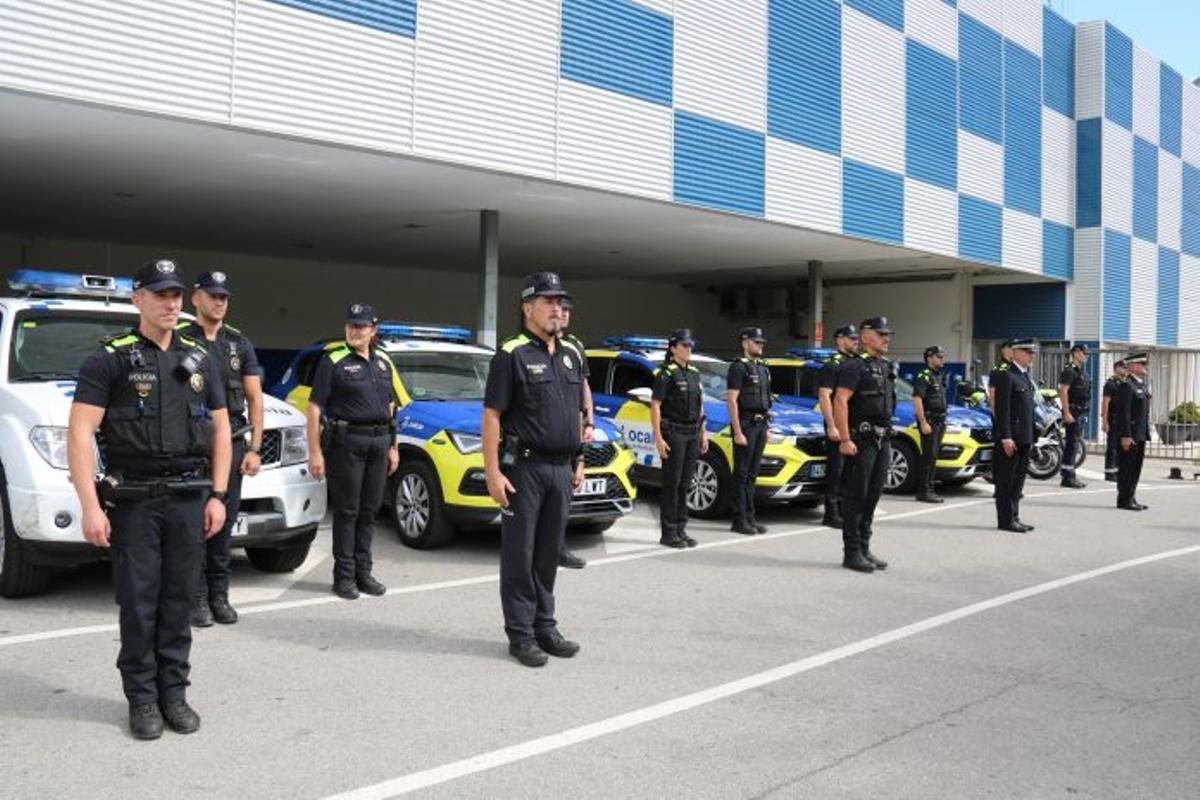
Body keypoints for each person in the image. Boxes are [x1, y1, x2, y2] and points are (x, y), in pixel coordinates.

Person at [67, 258, 232, 740]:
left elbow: (222, 429)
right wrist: (90, 506)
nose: (171, 303)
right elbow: (79, 433)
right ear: (137, 298)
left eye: (176, 294)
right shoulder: (110, 359)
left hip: (188, 498)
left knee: (179, 602)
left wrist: (219, 495)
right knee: (139, 605)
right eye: (160, 294)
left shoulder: (199, 359)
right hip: (134, 501)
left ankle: (173, 694)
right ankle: (141, 699)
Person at [483, 272, 586, 668]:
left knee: (547, 554)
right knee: (520, 555)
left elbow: (576, 412)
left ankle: (545, 627)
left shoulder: (571, 353)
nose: (558, 308)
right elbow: (492, 415)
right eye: (549, 302)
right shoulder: (511, 354)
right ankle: (521, 634)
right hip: (524, 469)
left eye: (561, 302)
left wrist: (578, 459)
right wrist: (493, 472)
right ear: (528, 308)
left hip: (561, 470)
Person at [179, 271, 264, 628]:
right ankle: (196, 597)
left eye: (223, 297)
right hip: (192, 445)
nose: (218, 302)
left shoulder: (238, 343)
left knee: (224, 523)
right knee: (194, 524)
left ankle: (219, 595)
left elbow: (254, 398)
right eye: (212, 295)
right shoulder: (180, 339)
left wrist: (255, 448)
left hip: (231, 445)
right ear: (195, 298)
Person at [306, 304, 400, 600]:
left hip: (379, 443)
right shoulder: (333, 360)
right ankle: (344, 576)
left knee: (369, 512)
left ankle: (364, 573)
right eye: (350, 325)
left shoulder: (383, 361)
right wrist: (315, 452)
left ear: (373, 330)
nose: (354, 331)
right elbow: (314, 408)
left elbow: (391, 407)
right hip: (347, 444)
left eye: (360, 326)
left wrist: (394, 446)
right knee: (348, 512)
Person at [834, 317, 895, 573]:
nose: (887, 339)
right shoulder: (855, 366)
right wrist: (845, 438)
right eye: (882, 335)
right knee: (857, 496)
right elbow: (840, 400)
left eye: (888, 335)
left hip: (882, 439)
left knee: (873, 495)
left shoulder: (884, 365)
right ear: (866, 337)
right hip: (862, 440)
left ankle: (864, 547)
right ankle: (851, 553)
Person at [651, 329, 708, 549]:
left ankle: (681, 530)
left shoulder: (694, 373)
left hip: (692, 432)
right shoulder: (665, 373)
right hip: (674, 432)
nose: (689, 349)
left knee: (685, 484)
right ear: (673, 348)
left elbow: (700, 405)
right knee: (672, 484)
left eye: (691, 345)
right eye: (684, 345)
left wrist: (703, 432)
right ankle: (669, 533)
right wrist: (658, 438)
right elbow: (655, 406)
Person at [726, 327, 773, 536]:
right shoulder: (738, 367)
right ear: (745, 343)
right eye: (757, 342)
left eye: (762, 342)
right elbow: (732, 400)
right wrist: (737, 431)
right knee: (742, 474)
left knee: (753, 474)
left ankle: (750, 518)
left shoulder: (762, 368)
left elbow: (766, 400)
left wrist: (767, 428)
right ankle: (739, 520)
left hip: (761, 425)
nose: (761, 345)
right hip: (746, 424)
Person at [556, 299, 590, 570]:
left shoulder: (574, 347)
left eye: (568, 310)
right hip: (541, 435)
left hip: (569, 430)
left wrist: (589, 422)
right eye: (561, 309)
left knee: (563, 497)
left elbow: (583, 388)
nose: (564, 314)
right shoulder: (524, 348)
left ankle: (559, 548)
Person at [992, 338, 1037, 533]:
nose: (1031, 356)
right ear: (1016, 353)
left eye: (1032, 353)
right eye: (1028, 352)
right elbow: (1002, 410)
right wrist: (1006, 437)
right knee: (1006, 481)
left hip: (1024, 437)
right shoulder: (1006, 375)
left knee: (1018, 482)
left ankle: (1015, 516)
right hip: (1012, 438)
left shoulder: (1024, 376)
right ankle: (1006, 520)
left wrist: (1032, 437)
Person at [818, 325, 858, 527]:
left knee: (850, 471)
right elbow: (824, 396)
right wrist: (832, 425)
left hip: (852, 423)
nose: (856, 342)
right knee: (837, 469)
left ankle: (843, 509)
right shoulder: (832, 365)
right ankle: (831, 513)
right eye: (851, 339)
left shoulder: (855, 363)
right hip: (837, 422)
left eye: (856, 338)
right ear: (840, 340)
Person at [1113, 352, 1151, 511]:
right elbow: (1124, 413)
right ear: (1133, 366)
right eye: (1142, 364)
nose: (1145, 367)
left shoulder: (1140, 385)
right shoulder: (1127, 386)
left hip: (1140, 433)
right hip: (1130, 434)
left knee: (1136, 468)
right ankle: (1124, 499)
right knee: (1127, 468)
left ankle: (1131, 496)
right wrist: (1126, 435)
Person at [912, 345, 949, 503]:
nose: (942, 359)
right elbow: (917, 399)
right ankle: (923, 491)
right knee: (928, 457)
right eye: (939, 357)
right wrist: (923, 422)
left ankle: (930, 489)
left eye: (942, 357)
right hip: (930, 420)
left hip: (940, 421)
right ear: (930, 358)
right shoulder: (924, 376)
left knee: (933, 457)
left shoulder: (939, 375)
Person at [1057, 343, 1091, 489]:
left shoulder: (1080, 372)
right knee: (1071, 444)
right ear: (1076, 353)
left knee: (1074, 443)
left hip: (1080, 411)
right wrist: (1066, 412)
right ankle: (1067, 477)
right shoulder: (1069, 371)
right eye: (1084, 353)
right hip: (1073, 412)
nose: (1087, 356)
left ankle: (1069, 474)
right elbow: (1063, 391)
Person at [1101, 359, 1128, 482]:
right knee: (1112, 446)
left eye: (1126, 367)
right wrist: (1105, 421)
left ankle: (1117, 470)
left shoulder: (1125, 383)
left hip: (1122, 420)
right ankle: (1110, 472)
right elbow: (1105, 403)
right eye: (1123, 367)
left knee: (1120, 447)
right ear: (1117, 368)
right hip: (1113, 418)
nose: (1125, 370)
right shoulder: (1111, 384)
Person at [987, 340, 1015, 411]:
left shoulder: (1016, 367)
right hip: (1005, 409)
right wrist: (995, 413)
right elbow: (992, 394)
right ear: (1005, 351)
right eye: (1013, 349)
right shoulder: (999, 369)